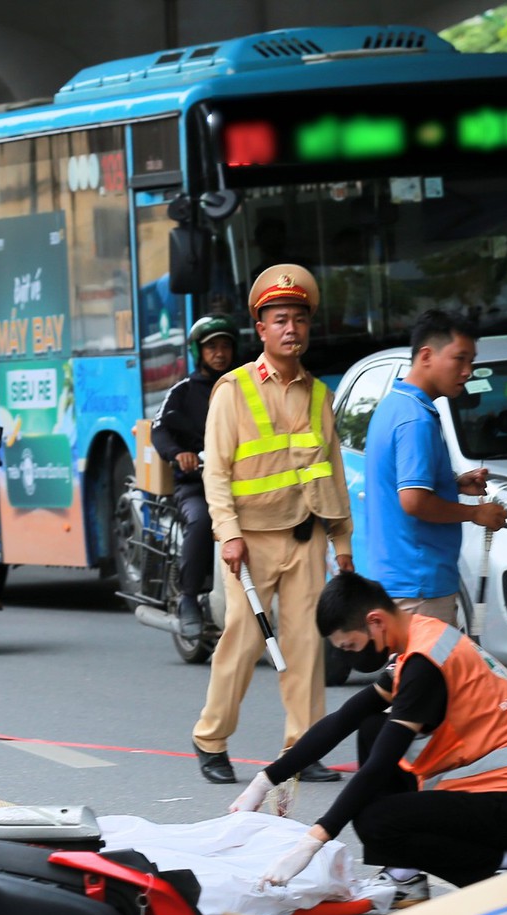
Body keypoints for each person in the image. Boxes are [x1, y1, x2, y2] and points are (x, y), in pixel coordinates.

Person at [231, 571, 507, 904]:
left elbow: (378, 766)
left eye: (351, 646)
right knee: (371, 725)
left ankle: (502, 867)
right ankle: (404, 875)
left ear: (375, 622)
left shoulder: (423, 666)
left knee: (376, 821)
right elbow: (345, 719)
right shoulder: (421, 637)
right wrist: (264, 781)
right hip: (501, 789)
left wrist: (312, 841)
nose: (353, 657)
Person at [190, 265, 354, 786]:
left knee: (306, 644)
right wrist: (228, 533)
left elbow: (333, 472)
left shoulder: (320, 395)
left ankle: (302, 748)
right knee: (242, 640)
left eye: (300, 320)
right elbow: (214, 470)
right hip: (250, 541)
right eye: (280, 320)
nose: (291, 329)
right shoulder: (232, 390)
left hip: (306, 535)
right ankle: (210, 740)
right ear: (261, 329)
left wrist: (342, 545)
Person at [368, 310, 507, 628]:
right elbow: (414, 501)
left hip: (403, 580)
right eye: (459, 359)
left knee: (417, 676)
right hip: (420, 588)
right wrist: (476, 514)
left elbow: (403, 485)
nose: (467, 371)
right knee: (426, 676)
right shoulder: (415, 419)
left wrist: (453, 484)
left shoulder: (396, 404)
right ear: (427, 355)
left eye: (471, 361)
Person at [150, 315, 238, 639]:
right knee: (202, 522)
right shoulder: (182, 392)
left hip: (240, 483)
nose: (219, 353)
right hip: (196, 485)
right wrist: (177, 454)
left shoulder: (244, 386)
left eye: (226, 346)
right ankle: (188, 598)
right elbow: (158, 431)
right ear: (198, 352)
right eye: (212, 346)